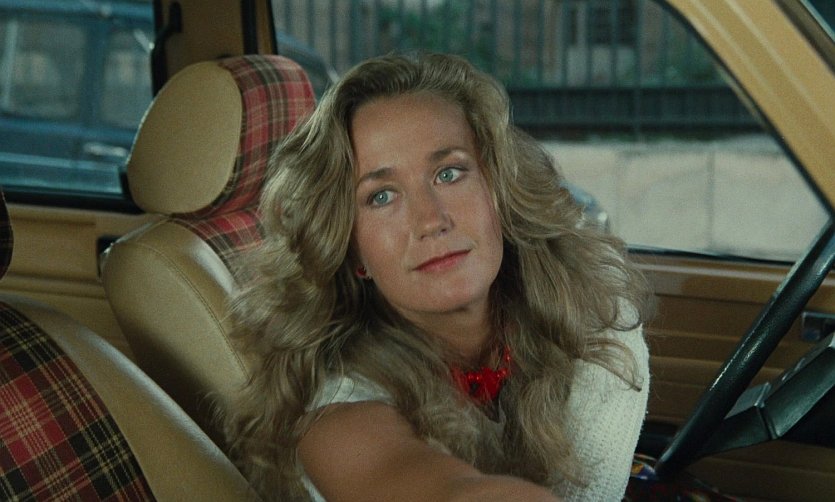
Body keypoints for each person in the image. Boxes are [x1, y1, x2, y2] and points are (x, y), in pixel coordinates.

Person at [223, 52, 651, 501]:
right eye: (381, 196)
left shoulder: (594, 318)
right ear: (351, 251)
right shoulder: (341, 407)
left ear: (499, 189)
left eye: (449, 173)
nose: (431, 220)